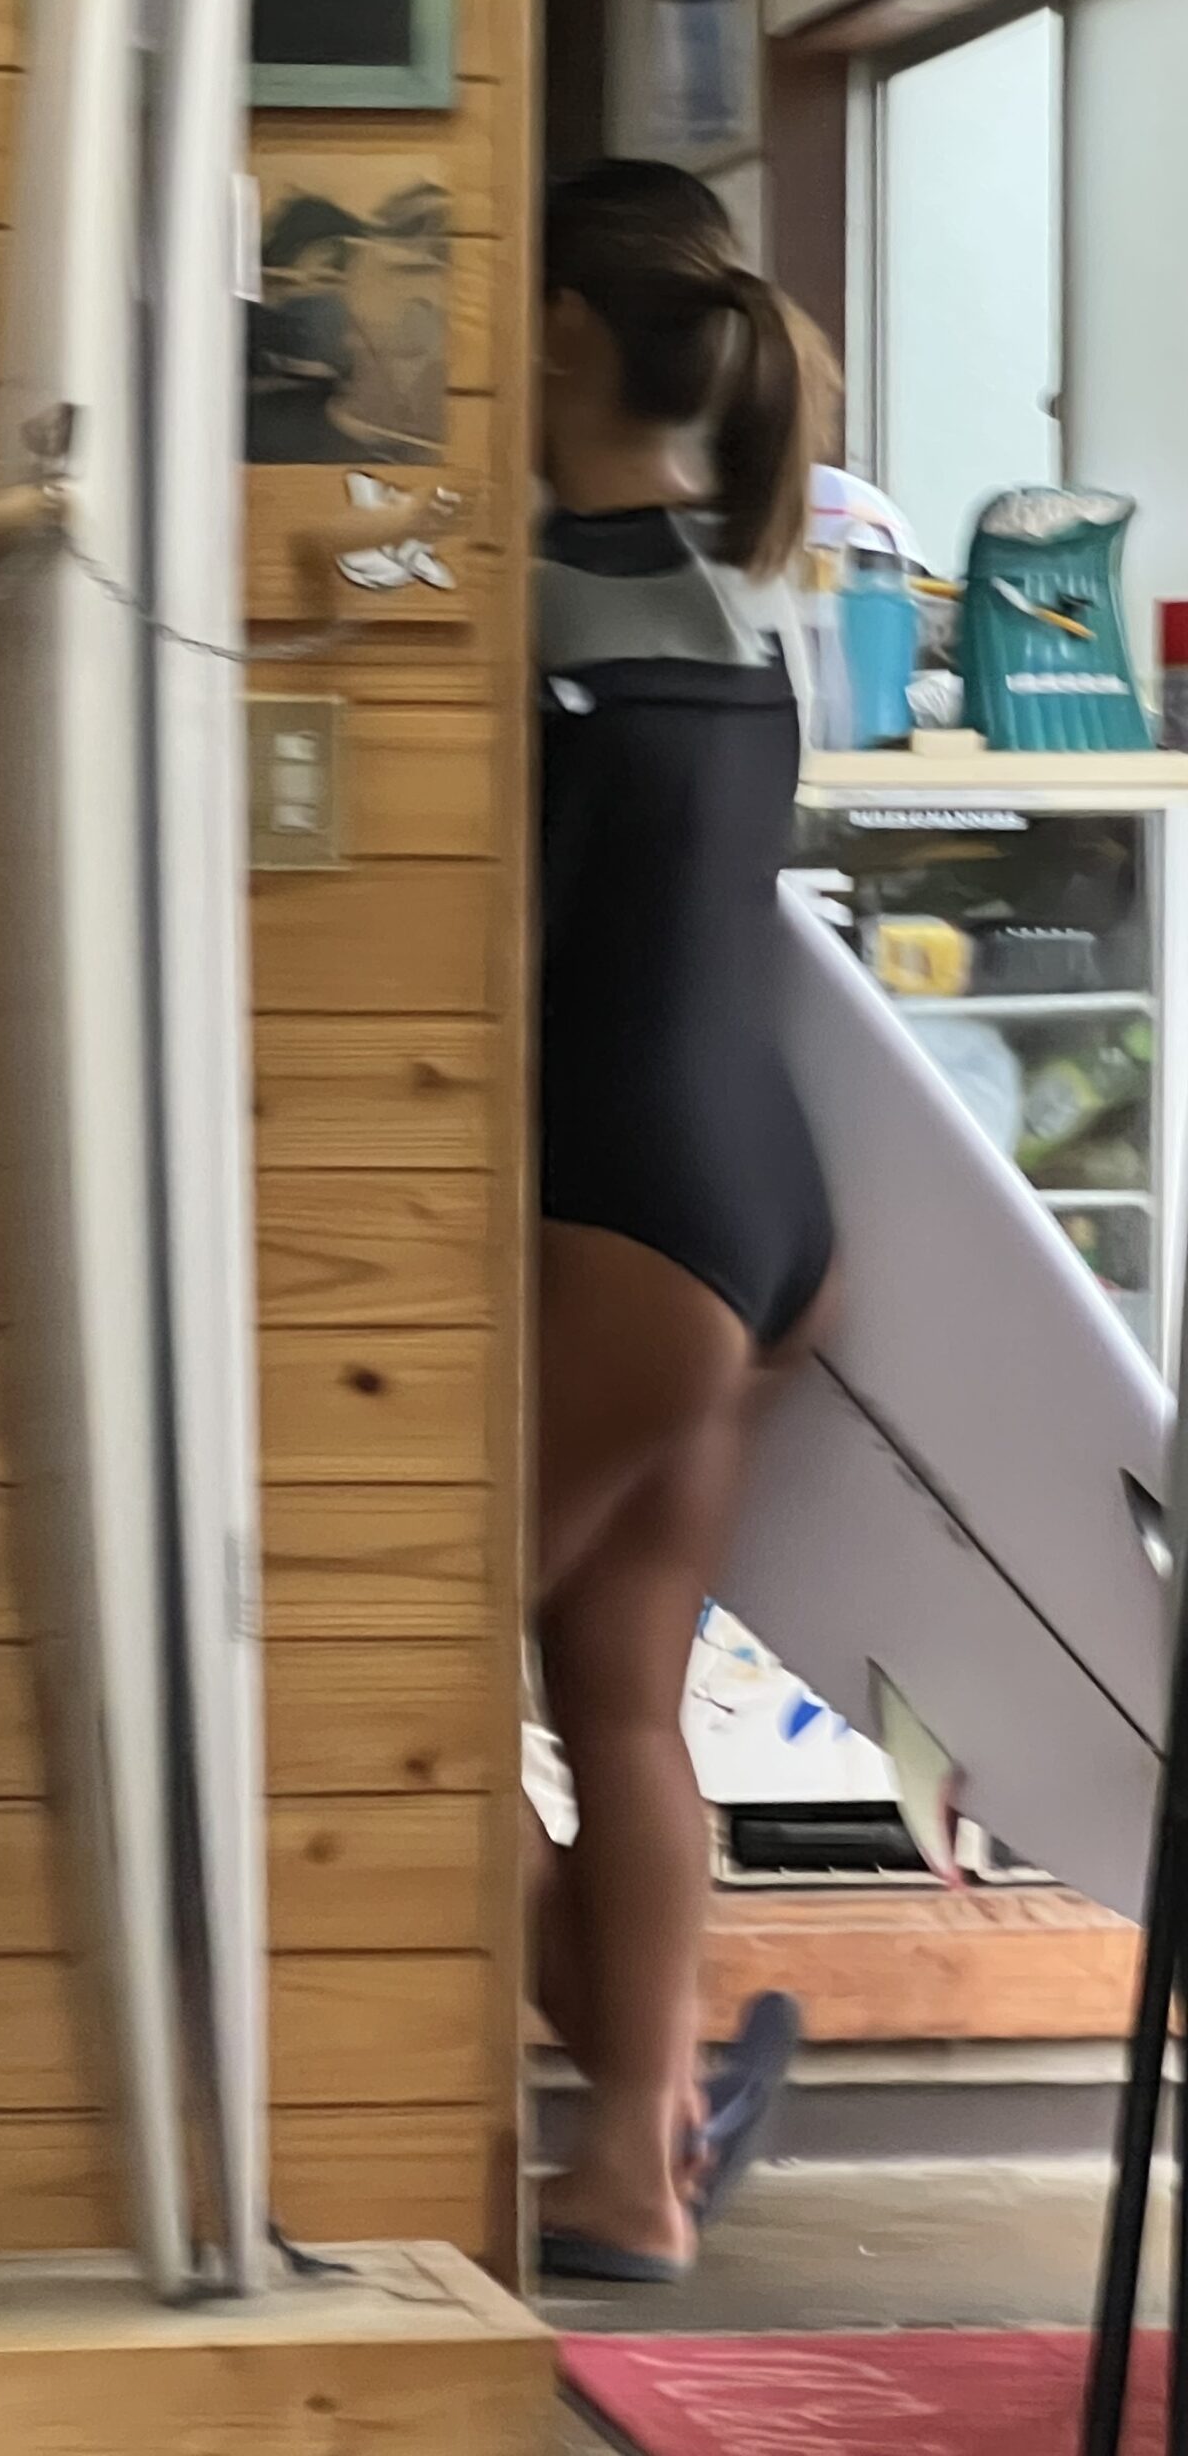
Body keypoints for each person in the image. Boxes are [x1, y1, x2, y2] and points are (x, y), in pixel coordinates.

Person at [530, 160, 839, 2286]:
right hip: (768, 1203)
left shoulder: (527, 598)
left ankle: (643, 2110)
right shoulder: (753, 594)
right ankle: (635, 2166)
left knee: (373, 1683)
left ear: (559, 332)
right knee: (621, 1703)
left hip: (631, 1210)